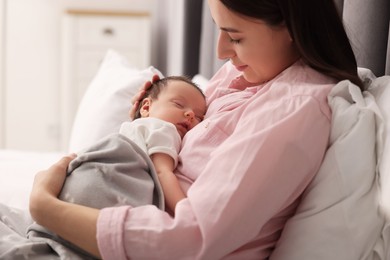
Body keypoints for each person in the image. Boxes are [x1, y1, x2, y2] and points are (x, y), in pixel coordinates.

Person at [27, 0, 365, 259]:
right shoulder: (250, 76)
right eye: (219, 30)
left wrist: (47, 209)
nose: (220, 52)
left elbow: (188, 239)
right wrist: (151, 125)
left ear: (292, 24)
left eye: (235, 37)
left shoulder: (293, 110)